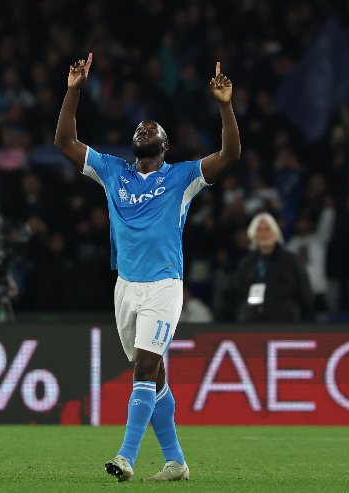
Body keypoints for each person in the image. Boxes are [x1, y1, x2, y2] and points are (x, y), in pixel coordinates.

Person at [55, 53, 240, 482]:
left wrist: (225, 106)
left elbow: (231, 154)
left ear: (165, 145)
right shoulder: (112, 171)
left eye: (153, 128)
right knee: (153, 377)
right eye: (140, 127)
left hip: (163, 285)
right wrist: (73, 92)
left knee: (143, 367)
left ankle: (126, 456)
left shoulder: (182, 177)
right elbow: (65, 142)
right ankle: (176, 462)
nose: (144, 128)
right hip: (125, 287)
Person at [235, 213, 312, 322]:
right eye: (259, 230)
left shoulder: (291, 261)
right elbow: (239, 295)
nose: (264, 234)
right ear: (254, 235)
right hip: (254, 323)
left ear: (275, 233)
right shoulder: (246, 263)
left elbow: (305, 294)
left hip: (285, 323)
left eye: (267, 229)